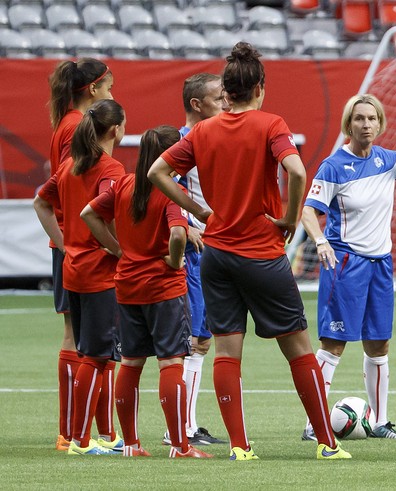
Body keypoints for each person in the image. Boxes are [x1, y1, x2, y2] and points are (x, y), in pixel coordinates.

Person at [148, 42, 349, 461]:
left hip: (217, 254)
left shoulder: (203, 131)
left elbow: (156, 172)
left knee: (226, 351)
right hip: (260, 250)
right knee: (297, 345)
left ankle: (240, 446)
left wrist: (199, 210)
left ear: (228, 93)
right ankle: (327, 444)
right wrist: (292, 217)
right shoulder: (270, 123)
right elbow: (295, 169)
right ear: (259, 87)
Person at [299, 94, 396, 441]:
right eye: (359, 119)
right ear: (349, 123)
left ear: (380, 123)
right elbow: (308, 211)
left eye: (372, 119)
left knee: (379, 344)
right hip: (345, 263)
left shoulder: (388, 160)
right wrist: (320, 240)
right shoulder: (332, 166)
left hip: (381, 265)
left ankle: (380, 422)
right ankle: (314, 424)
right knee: (334, 344)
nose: (366, 125)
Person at [81, 125, 212, 459]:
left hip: (127, 286)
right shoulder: (170, 191)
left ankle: (132, 444)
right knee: (171, 364)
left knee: (130, 363)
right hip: (163, 287)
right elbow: (179, 235)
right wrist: (174, 259)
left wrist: (118, 249)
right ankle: (181, 447)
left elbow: (89, 214)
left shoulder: (125, 183)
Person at [34, 99, 127, 456]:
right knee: (96, 355)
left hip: (73, 267)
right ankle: (79, 439)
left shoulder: (70, 165)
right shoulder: (111, 169)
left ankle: (101, 435)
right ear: (116, 129)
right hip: (99, 273)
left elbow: (41, 203)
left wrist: (64, 245)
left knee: (92, 351)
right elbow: (97, 214)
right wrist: (120, 249)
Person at [45, 58, 117, 452]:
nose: (110, 96)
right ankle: (76, 432)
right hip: (83, 247)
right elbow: (66, 188)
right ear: (92, 90)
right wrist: (65, 237)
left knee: (84, 337)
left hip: (71, 244)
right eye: (108, 89)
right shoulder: (77, 126)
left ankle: (87, 431)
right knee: (87, 340)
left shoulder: (64, 123)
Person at [160, 73, 228, 447]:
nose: (225, 103)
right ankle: (183, 427)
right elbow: (166, 185)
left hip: (214, 248)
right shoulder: (183, 143)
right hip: (194, 251)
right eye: (218, 98)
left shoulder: (211, 137)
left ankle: (187, 423)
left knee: (204, 337)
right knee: (197, 339)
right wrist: (190, 223)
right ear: (196, 105)